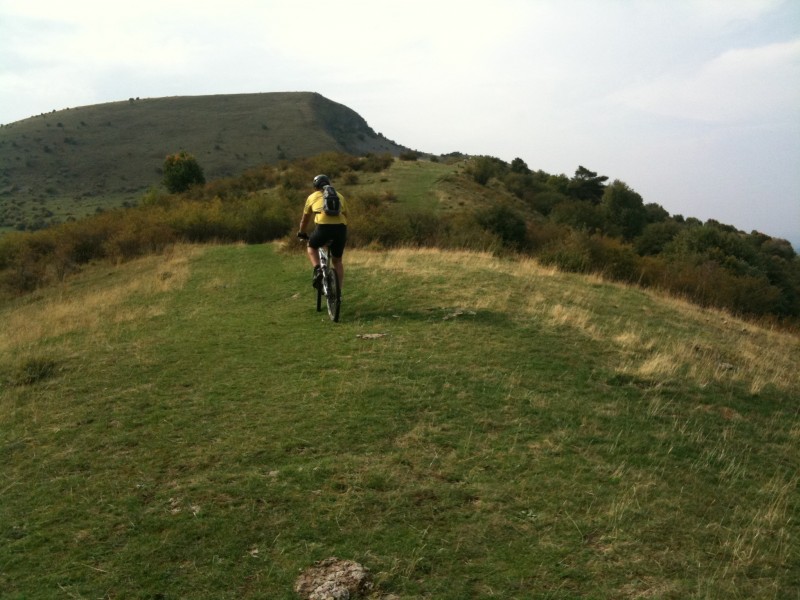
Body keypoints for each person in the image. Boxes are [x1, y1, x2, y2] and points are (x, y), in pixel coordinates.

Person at [297, 174, 348, 290]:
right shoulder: (339, 196)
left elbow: (305, 220)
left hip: (323, 228)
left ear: (315, 186)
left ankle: (318, 269)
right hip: (341, 228)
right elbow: (346, 216)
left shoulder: (312, 197)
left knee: (311, 246)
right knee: (337, 260)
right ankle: (338, 293)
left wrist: (302, 232)